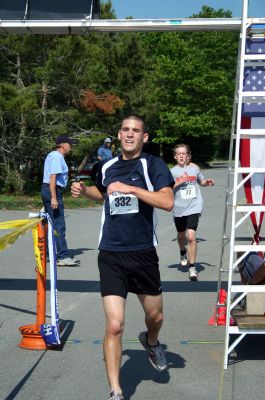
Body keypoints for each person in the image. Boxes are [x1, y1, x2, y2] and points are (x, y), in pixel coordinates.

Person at [71, 114, 174, 400]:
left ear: (145, 137)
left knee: (155, 315)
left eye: (136, 130)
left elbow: (167, 202)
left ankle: (151, 342)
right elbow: (104, 194)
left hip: (142, 254)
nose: (130, 134)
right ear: (119, 135)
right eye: (126, 130)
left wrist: (132, 189)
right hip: (111, 253)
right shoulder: (106, 166)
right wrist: (84, 191)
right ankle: (116, 391)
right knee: (114, 324)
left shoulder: (153, 165)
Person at [170, 143, 214, 281]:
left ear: (189, 156)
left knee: (191, 236)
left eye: (184, 153)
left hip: (194, 205)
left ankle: (192, 267)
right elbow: (167, 189)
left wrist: (206, 182)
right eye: (179, 154)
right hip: (179, 207)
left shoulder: (195, 168)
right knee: (181, 234)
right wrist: (177, 183)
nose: (181, 156)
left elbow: (201, 181)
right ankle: (183, 252)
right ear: (175, 156)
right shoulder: (172, 172)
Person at [41, 135, 80, 267]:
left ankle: (46, 254)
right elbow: (53, 177)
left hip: (48, 189)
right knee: (58, 224)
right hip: (53, 190)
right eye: (70, 144)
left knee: (51, 224)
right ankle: (63, 256)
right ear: (63, 145)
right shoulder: (57, 157)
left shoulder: (53, 156)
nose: (71, 147)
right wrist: (53, 197)